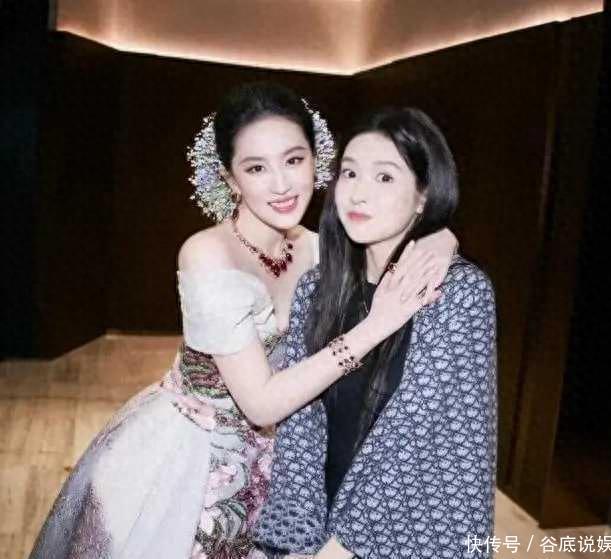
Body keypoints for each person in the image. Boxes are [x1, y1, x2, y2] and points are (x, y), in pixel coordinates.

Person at [29, 84, 459, 559]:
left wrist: (440, 238)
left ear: (317, 161)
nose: (281, 184)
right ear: (230, 179)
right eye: (256, 168)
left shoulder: (321, 247)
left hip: (288, 455)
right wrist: (374, 327)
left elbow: (406, 225)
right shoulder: (207, 253)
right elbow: (260, 405)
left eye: (293, 160)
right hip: (194, 456)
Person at [255, 107, 497, 559]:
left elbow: (412, 439)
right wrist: (297, 538)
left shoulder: (459, 293)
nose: (359, 193)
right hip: (319, 521)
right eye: (349, 173)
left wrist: (341, 549)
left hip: (413, 531)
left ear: (424, 196)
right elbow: (299, 431)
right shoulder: (317, 288)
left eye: (384, 177)